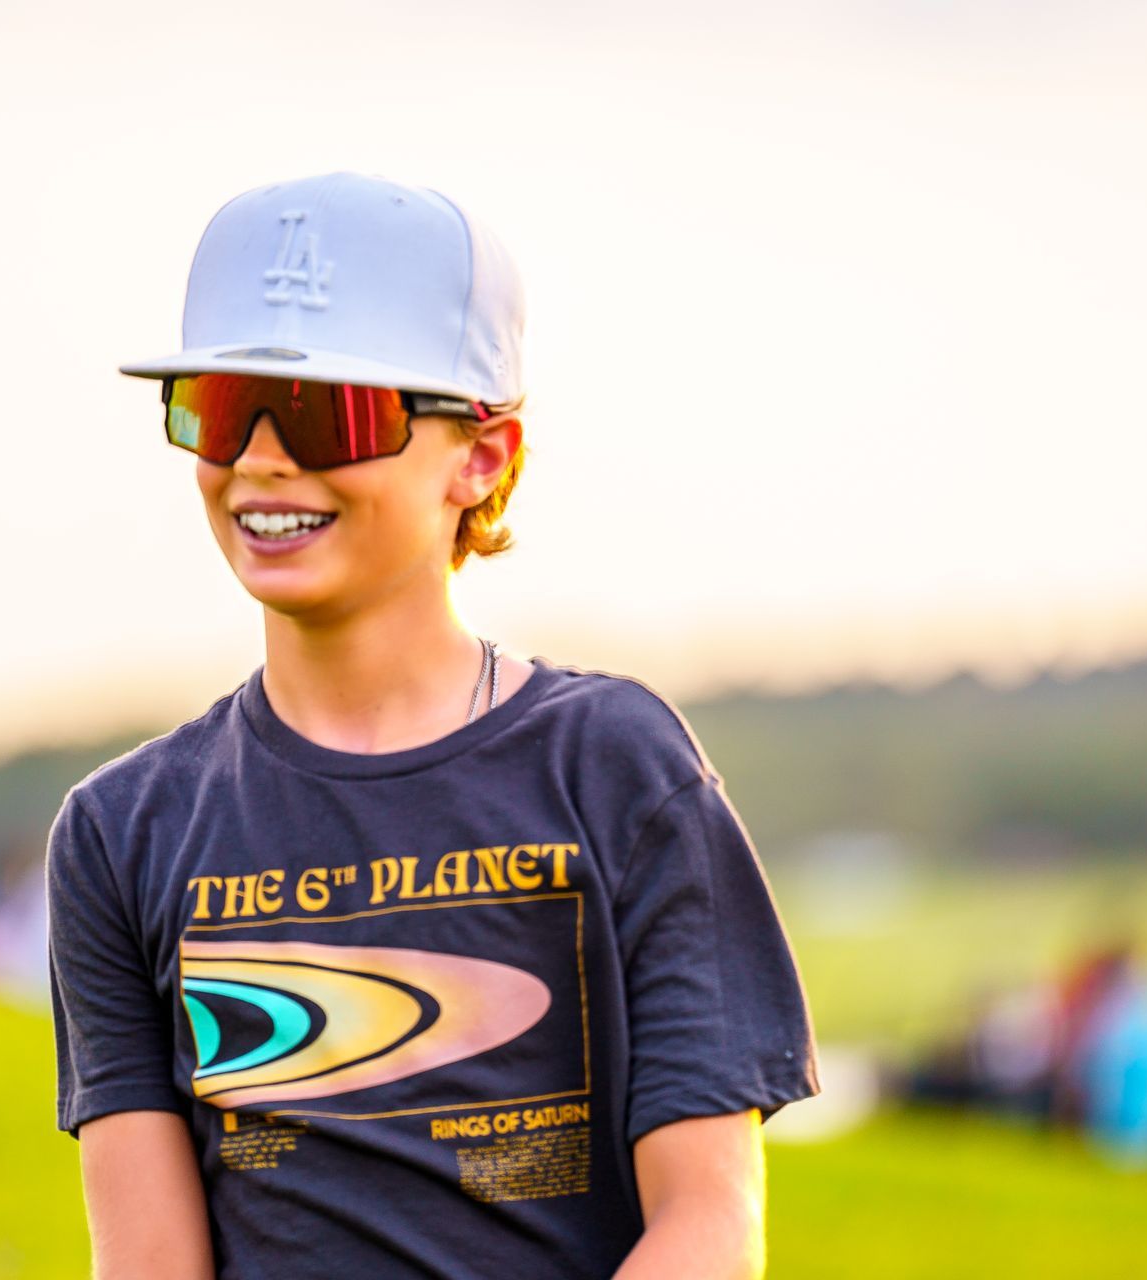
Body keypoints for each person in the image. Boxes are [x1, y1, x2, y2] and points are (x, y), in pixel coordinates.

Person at [46, 171, 821, 1280]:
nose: (262, 458)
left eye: (326, 414)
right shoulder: (123, 832)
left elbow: (709, 1224)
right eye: (219, 408)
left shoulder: (616, 768)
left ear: (482, 457)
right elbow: (150, 1258)